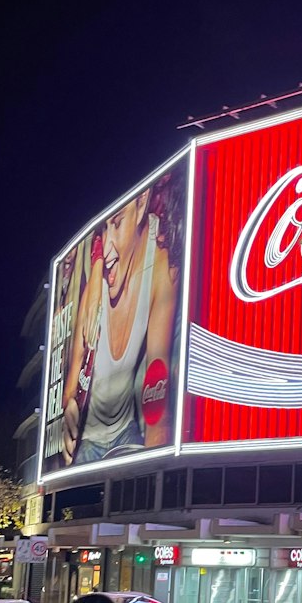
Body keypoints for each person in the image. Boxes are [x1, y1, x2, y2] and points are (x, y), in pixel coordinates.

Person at [61, 172, 182, 466]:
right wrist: (68, 411)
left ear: (141, 205)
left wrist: (159, 463)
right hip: (88, 443)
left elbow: (158, 376)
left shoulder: (161, 263)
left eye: (118, 223)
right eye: (105, 229)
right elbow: (69, 388)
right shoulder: (94, 289)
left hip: (127, 437)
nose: (111, 245)